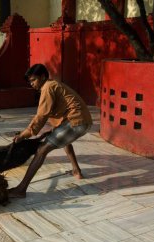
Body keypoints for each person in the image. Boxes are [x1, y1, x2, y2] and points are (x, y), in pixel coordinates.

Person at [8, 64, 93, 198]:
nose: (32, 84)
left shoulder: (47, 87)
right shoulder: (54, 85)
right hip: (83, 121)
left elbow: (41, 116)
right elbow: (57, 118)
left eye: (33, 80)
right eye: (30, 81)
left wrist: (23, 135)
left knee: (42, 150)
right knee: (63, 140)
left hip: (75, 121)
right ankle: (76, 170)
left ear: (42, 77)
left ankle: (21, 189)